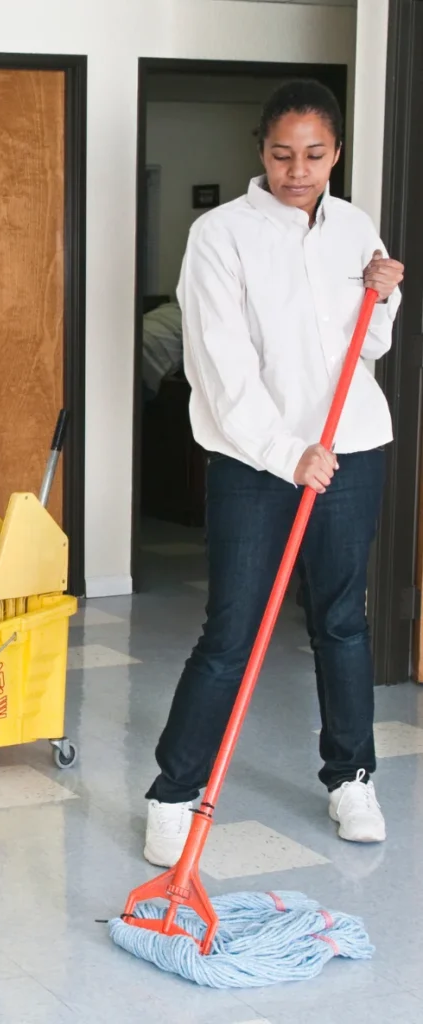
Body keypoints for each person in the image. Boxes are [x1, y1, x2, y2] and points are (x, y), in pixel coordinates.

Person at [144, 80, 404, 868]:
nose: (298, 169)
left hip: (351, 446)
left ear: (335, 153)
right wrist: (284, 449)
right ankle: (173, 793)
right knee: (232, 627)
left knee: (340, 618)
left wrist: (384, 297)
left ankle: (350, 776)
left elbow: (367, 348)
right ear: (259, 149)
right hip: (253, 462)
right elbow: (218, 366)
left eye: (315, 155)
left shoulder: (353, 226)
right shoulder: (219, 235)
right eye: (283, 153)